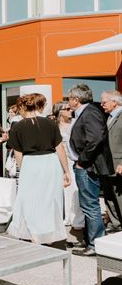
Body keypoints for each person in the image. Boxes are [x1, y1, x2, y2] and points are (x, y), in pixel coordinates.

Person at [7, 94, 71, 247]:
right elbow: (59, 147)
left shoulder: (18, 126)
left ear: (23, 107)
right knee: (50, 199)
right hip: (50, 162)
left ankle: (34, 234)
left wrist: (24, 170)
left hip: (30, 163)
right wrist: (66, 170)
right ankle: (49, 233)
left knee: (30, 199)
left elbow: (18, 153)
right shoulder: (50, 123)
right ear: (38, 106)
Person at [68, 84, 113, 256]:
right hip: (85, 165)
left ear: (75, 100)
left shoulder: (90, 113)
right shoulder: (86, 112)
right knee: (88, 204)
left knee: (90, 205)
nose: (68, 102)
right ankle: (91, 242)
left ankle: (94, 245)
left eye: (69, 99)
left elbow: (95, 139)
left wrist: (82, 161)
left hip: (88, 166)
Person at [53, 100, 84, 239]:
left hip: (72, 160)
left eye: (70, 108)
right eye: (66, 109)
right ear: (59, 111)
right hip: (56, 161)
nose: (70, 110)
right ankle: (63, 218)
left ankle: (77, 220)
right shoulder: (54, 127)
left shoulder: (75, 124)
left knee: (74, 190)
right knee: (60, 191)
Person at [100, 90, 122, 231]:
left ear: (114, 102)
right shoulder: (108, 117)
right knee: (109, 196)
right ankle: (116, 225)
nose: (101, 104)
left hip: (118, 165)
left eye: (104, 101)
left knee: (119, 197)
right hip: (107, 165)